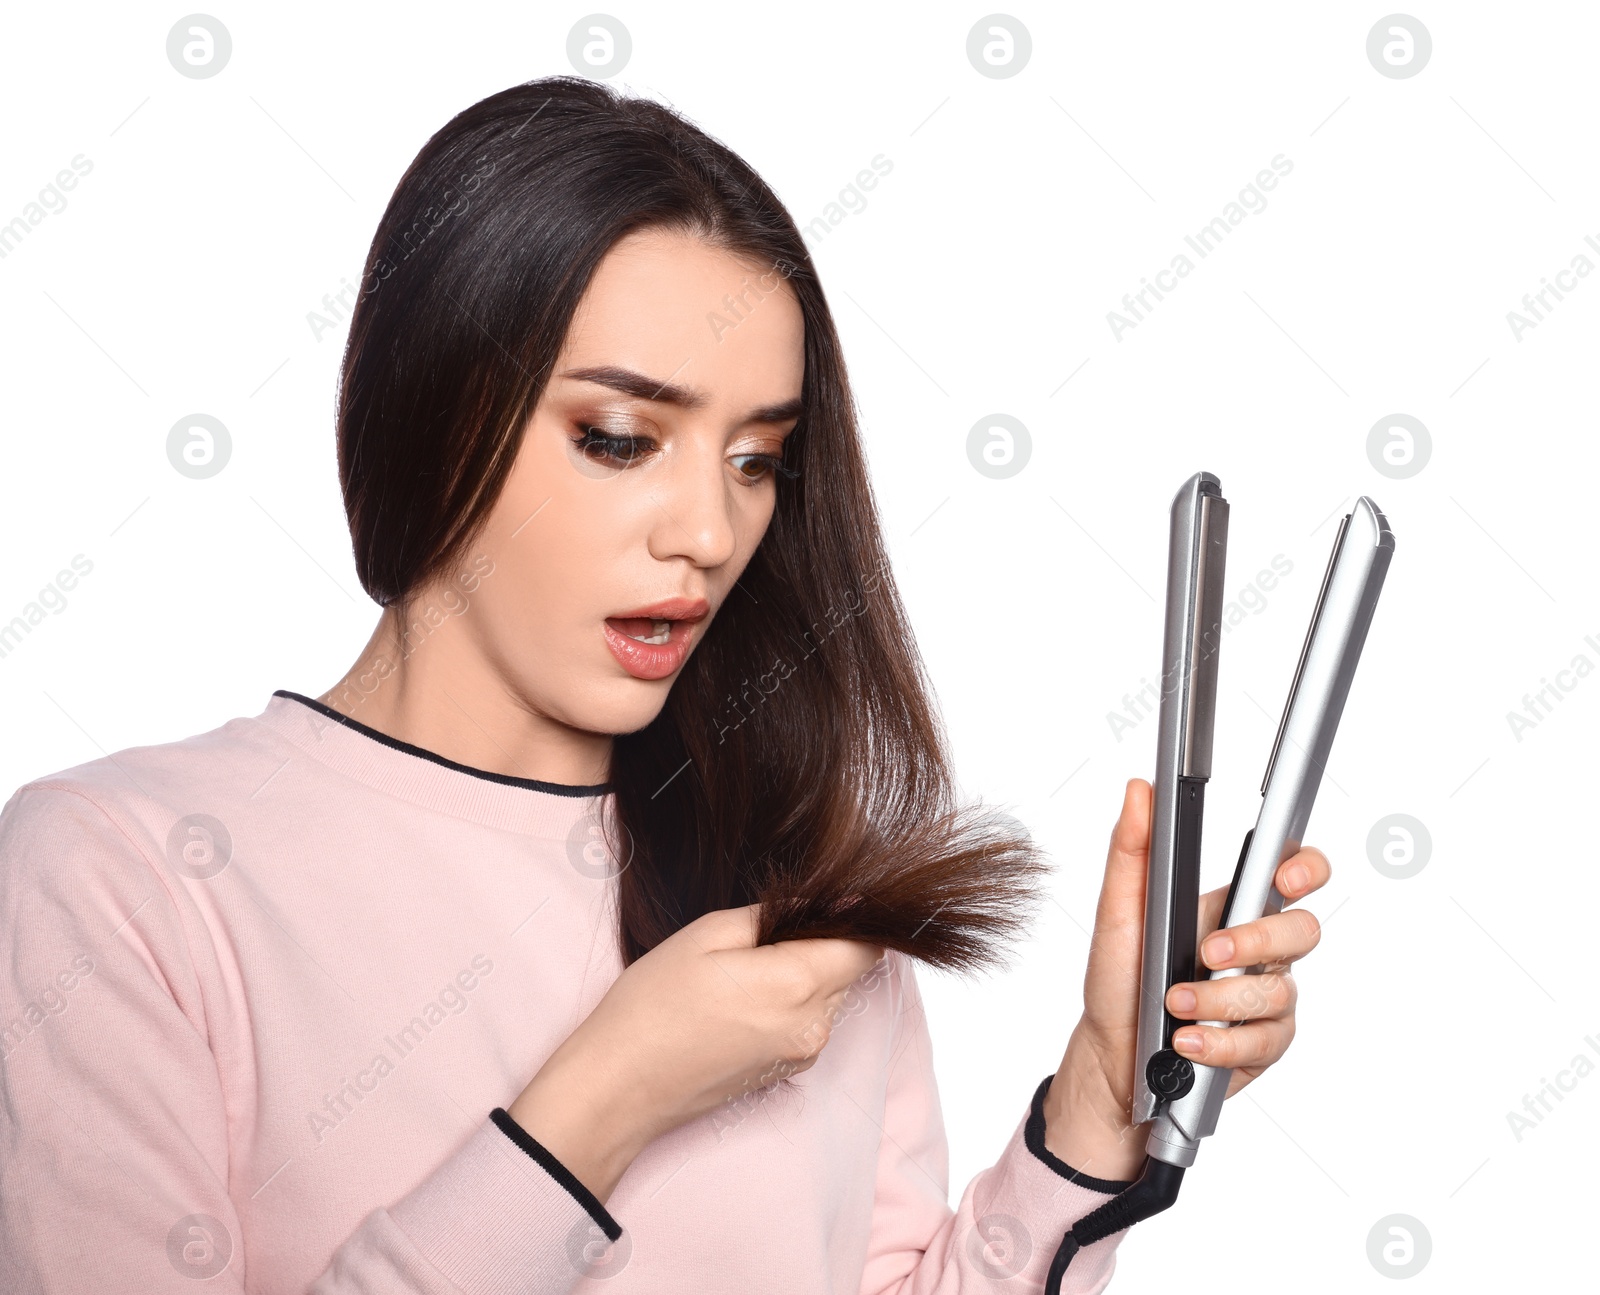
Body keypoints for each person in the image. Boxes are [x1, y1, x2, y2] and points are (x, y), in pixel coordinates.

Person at [0, 76, 1328, 1293]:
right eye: (624, 438)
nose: (707, 531)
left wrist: (1096, 1102)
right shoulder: (118, 877)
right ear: (432, 405)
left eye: (757, 460)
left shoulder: (789, 884)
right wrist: (606, 1098)